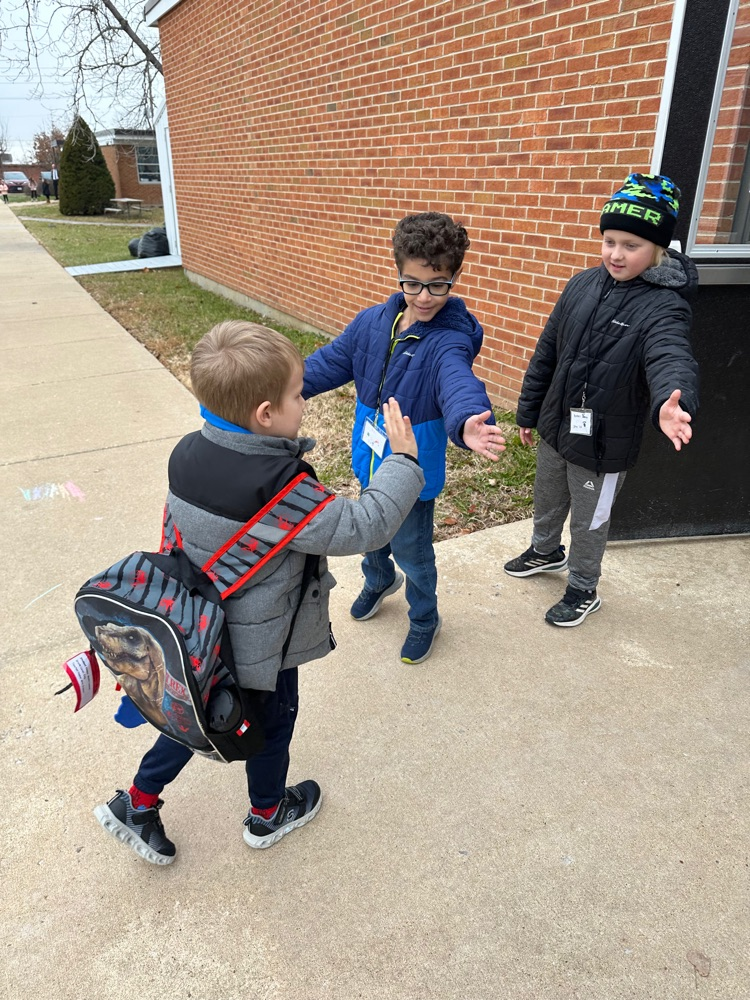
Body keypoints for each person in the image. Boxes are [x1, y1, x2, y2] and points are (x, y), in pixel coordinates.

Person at [94, 320, 425, 864]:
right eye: (298, 395)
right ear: (266, 414)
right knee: (272, 726)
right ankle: (268, 814)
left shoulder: (186, 452)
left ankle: (138, 801)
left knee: (195, 713)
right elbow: (364, 526)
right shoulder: (282, 488)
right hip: (260, 650)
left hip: (197, 635)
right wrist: (404, 462)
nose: (305, 403)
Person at [303, 211, 506, 665]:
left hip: (413, 467)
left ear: (454, 278)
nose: (424, 296)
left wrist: (467, 420)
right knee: (371, 531)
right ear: (399, 273)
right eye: (412, 283)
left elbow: (457, 381)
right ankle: (378, 580)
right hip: (371, 456)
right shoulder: (373, 322)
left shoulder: (448, 339)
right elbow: (330, 362)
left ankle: (425, 617)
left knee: (412, 552)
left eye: (438, 285)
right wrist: (282, 386)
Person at [504, 173, 699, 627]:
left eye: (632, 245)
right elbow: (547, 351)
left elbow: (671, 355)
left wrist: (673, 401)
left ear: (657, 248)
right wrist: (529, 410)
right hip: (557, 425)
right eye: (609, 241)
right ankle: (545, 551)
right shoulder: (581, 284)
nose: (616, 254)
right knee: (547, 497)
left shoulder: (665, 305)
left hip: (604, 443)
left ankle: (583, 587)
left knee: (590, 520)